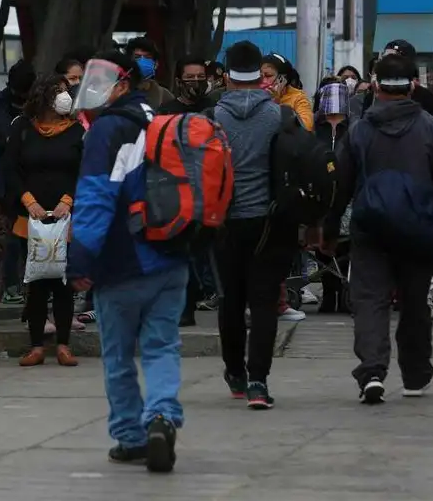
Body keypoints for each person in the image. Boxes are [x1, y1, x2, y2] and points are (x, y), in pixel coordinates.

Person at [322, 52, 433, 404]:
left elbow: (339, 185)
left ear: (374, 86)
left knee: (370, 301)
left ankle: (372, 372)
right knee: (416, 302)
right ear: (413, 86)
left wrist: (327, 230)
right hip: (419, 232)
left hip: (370, 229)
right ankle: (415, 375)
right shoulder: (432, 129)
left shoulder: (359, 131)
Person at [67, 51, 188, 473]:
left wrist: (80, 261)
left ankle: (131, 436)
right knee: (161, 347)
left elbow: (96, 199)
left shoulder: (106, 130)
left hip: (123, 262)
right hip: (172, 255)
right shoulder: (161, 119)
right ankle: (161, 416)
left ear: (123, 84)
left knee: (118, 355)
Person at [211, 41, 298, 409]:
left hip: (223, 222)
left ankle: (235, 373)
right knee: (264, 301)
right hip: (269, 221)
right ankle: (259, 383)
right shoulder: (280, 116)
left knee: (230, 299)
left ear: (227, 75)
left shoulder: (210, 117)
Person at [5, 75, 85, 367]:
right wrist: (28, 201)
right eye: (59, 91)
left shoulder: (77, 131)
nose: (65, 96)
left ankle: (63, 344)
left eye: (67, 91)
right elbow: (10, 169)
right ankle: (36, 345)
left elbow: (85, 170)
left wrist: (68, 200)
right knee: (36, 282)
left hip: (66, 217)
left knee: (63, 282)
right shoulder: (23, 129)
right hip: (32, 218)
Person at [158, 55, 220, 322]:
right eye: (190, 78)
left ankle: (212, 295)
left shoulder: (216, 107)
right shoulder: (166, 110)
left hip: (211, 190)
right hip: (176, 190)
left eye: (200, 77)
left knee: (207, 250)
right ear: (178, 81)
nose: (196, 82)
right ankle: (185, 306)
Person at [0, 60, 37, 313]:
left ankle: (32, 303)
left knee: (32, 248)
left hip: (30, 189)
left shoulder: (37, 108)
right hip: (1, 189)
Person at [314, 80, 353, 314]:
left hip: (347, 194)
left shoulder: (354, 131)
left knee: (347, 246)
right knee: (323, 246)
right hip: (322, 194)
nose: (334, 121)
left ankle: (345, 291)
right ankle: (329, 293)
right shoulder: (313, 131)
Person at [260, 52, 314, 131]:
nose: (263, 81)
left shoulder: (298, 98)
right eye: (260, 76)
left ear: (283, 79)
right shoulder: (255, 94)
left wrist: (276, 104)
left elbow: (306, 127)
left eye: (268, 76)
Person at [124, 36, 174, 109]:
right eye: (137, 57)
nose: (142, 61)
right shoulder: (119, 92)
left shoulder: (164, 96)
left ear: (156, 64)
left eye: (147, 57)